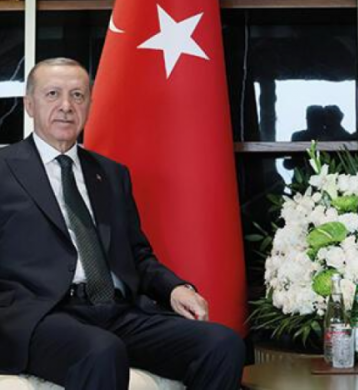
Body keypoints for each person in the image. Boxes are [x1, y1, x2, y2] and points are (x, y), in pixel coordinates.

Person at [0, 58, 245, 389]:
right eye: (52, 94)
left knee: (222, 344)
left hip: (115, 310)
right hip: (40, 314)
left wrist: (175, 288)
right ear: (29, 104)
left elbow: (137, 254)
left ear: (89, 105)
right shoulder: (4, 168)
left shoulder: (111, 174)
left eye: (77, 95)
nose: (66, 106)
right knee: (102, 351)